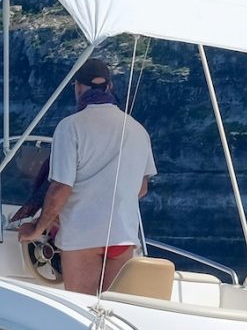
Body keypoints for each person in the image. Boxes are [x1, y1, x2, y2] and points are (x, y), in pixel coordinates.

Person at [20, 57, 155, 294]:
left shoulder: (70, 126)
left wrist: (38, 229)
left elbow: (61, 187)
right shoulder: (137, 130)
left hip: (83, 236)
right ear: (110, 87)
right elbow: (141, 189)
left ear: (78, 87)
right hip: (122, 238)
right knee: (114, 315)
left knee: (83, 313)